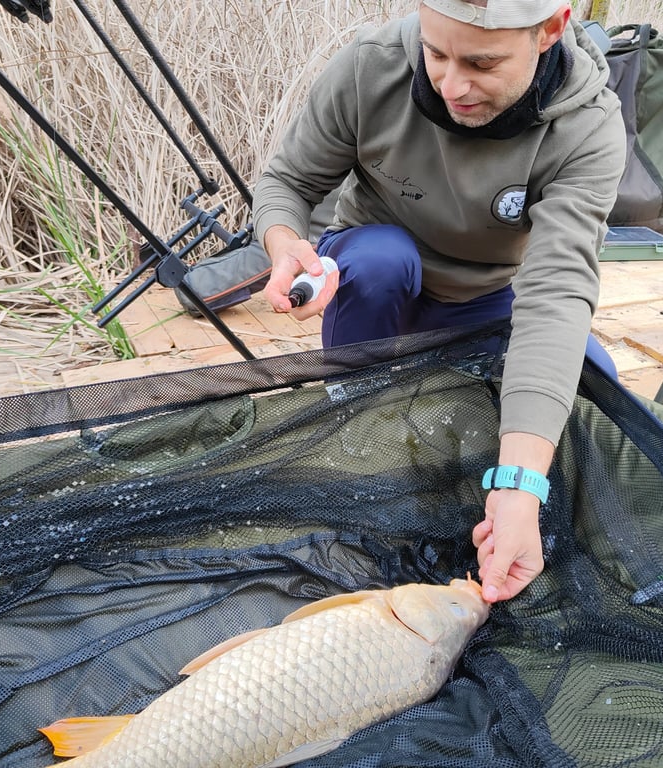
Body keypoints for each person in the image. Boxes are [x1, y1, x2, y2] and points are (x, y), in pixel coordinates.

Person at [252, 0, 626, 603]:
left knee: (593, 377)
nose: (451, 86)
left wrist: (520, 485)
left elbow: (557, 293)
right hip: (378, 275)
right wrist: (284, 243)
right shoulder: (370, 67)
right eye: (435, 53)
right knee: (381, 260)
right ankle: (357, 423)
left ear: (550, 30)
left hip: (488, 296)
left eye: (482, 63)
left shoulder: (588, 128)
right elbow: (287, 182)